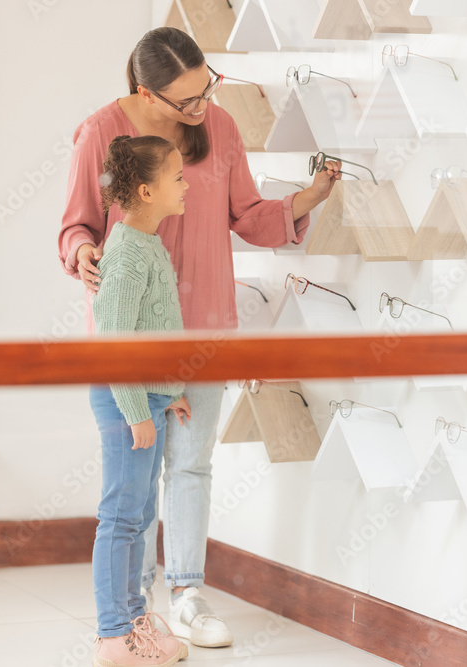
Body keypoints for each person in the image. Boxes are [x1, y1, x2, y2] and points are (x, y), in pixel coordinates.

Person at [58, 27, 341, 648]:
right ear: (145, 92)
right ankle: (132, 614)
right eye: (185, 100)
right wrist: (81, 252)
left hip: (206, 327)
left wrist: (306, 199)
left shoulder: (221, 127)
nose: (200, 108)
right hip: (132, 337)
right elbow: (76, 224)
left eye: (206, 89)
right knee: (133, 483)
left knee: (190, 464)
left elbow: (247, 217)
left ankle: (186, 595)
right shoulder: (100, 134)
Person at [89, 134, 192, 666]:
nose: (186, 184)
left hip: (147, 396)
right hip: (124, 398)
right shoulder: (128, 253)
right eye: (178, 177)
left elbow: (155, 330)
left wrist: (168, 393)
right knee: (122, 516)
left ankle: (134, 620)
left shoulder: (149, 242)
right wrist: (136, 412)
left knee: (140, 512)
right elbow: (114, 344)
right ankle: (113, 635)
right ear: (148, 190)